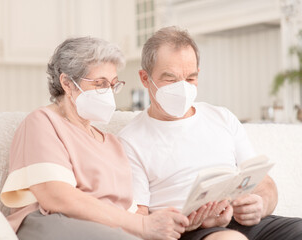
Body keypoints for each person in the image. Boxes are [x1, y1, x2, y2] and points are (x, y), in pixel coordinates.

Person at [0, 36, 219, 240]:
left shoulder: (112, 143)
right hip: (53, 222)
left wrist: (183, 223)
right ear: (67, 83)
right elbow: (57, 197)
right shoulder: (43, 122)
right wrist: (142, 226)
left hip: (108, 230)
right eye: (100, 84)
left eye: (113, 85)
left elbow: (133, 212)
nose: (108, 92)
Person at [118, 26, 302, 240]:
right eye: (170, 79)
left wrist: (259, 206)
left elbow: (264, 184)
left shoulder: (221, 117)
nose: (183, 88)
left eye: (190, 78)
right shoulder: (130, 140)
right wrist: (187, 223)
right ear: (144, 78)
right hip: (190, 232)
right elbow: (139, 219)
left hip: (245, 223)